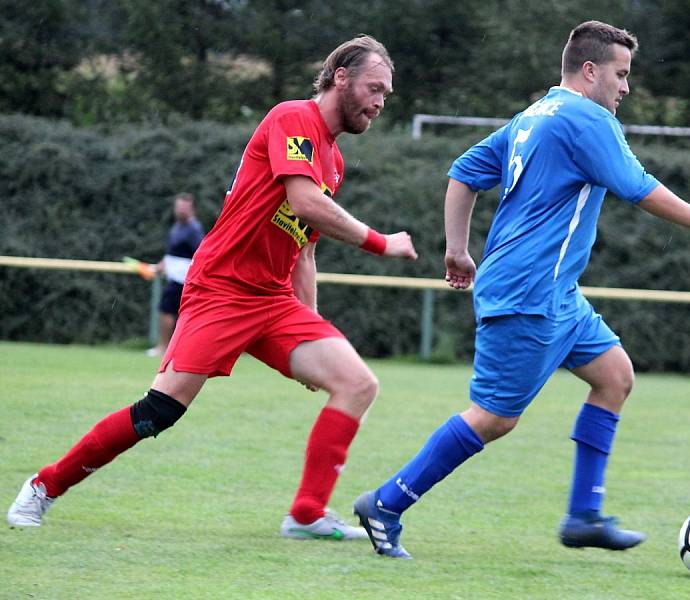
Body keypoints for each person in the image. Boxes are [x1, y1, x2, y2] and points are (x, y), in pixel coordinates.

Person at [353, 20, 690, 559]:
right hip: (528, 292)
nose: (626, 87)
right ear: (590, 71)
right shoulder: (588, 118)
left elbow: (463, 171)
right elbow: (639, 188)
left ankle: (584, 515)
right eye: (621, 73)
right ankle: (386, 503)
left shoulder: (533, 115)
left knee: (614, 377)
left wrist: (457, 248)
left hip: (555, 294)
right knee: (494, 417)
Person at [8, 35, 417, 541]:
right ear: (341, 77)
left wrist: (311, 327)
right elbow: (305, 203)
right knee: (159, 412)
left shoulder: (334, 161)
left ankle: (307, 515)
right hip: (221, 290)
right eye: (375, 88)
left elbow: (305, 248)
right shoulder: (293, 117)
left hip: (272, 301)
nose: (380, 102)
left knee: (358, 384)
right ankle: (45, 486)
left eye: (386, 94)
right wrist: (381, 243)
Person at [146, 193, 205, 357]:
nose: (180, 210)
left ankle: (163, 347)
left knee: (168, 311)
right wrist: (161, 265)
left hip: (183, 279)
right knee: (170, 312)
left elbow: (199, 253)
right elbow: (172, 252)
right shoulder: (177, 227)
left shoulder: (194, 229)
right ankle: (169, 348)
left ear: (191, 208)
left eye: (184, 207)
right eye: (178, 206)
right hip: (174, 277)